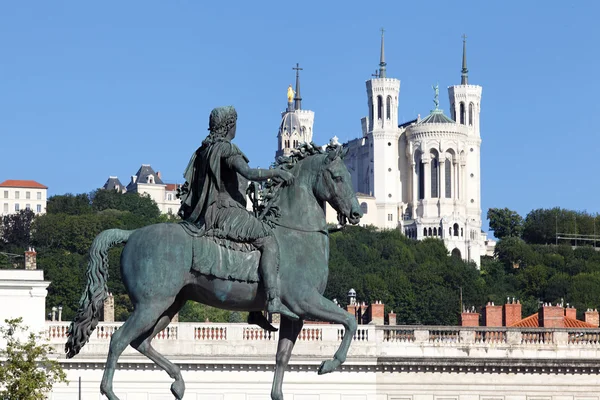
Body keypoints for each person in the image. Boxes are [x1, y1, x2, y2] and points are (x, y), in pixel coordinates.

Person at [178, 106, 298, 321]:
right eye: (235, 123)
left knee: (253, 242)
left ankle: (254, 308)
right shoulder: (225, 149)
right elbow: (250, 173)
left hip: (209, 211)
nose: (236, 128)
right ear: (229, 125)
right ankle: (272, 299)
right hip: (225, 211)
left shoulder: (204, 149)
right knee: (268, 239)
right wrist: (277, 172)